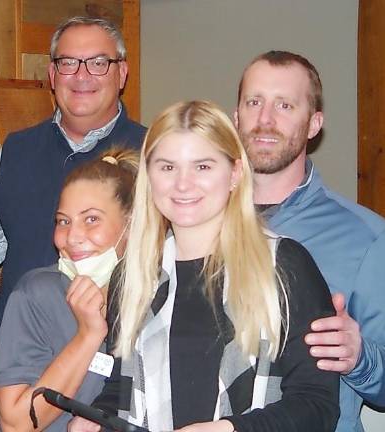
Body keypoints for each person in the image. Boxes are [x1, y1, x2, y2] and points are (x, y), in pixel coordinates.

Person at [70, 101, 339, 432]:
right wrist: (96, 418)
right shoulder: (133, 276)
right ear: (148, 175)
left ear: (235, 174)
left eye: (203, 167)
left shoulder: (285, 266)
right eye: (167, 167)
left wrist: (229, 429)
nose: (183, 184)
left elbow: (316, 405)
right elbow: (121, 389)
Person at [235, 50, 385, 431]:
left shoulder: (366, 237)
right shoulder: (191, 224)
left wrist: (359, 356)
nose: (265, 119)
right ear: (236, 116)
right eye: (254, 102)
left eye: (285, 105)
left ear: (313, 124)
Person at [0, 16, 146, 347]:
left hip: (116, 368)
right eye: (68, 63)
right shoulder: (14, 151)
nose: (82, 75)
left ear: (122, 73)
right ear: (52, 75)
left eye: (99, 63)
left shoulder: (153, 157)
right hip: (22, 364)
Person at [0, 148, 138, 431]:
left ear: (131, 224)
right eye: (63, 221)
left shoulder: (157, 295)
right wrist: (88, 335)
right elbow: (15, 423)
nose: (72, 236)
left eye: (91, 219)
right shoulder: (35, 294)